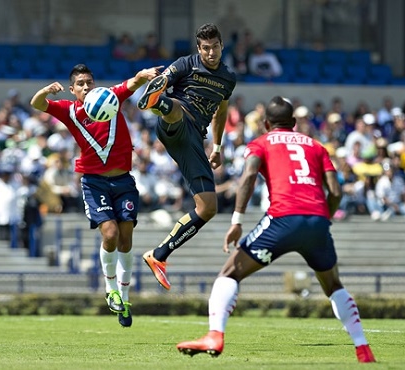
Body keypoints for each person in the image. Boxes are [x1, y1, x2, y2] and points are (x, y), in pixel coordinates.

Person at [176, 96, 376, 363]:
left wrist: (237, 220)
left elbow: (248, 177)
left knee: (229, 273)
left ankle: (215, 335)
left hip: (282, 219)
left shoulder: (261, 142)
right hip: (317, 219)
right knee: (333, 285)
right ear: (293, 123)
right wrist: (323, 218)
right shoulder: (317, 146)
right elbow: (336, 191)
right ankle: (362, 348)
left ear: (266, 123)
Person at [30, 63, 162, 327]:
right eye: (80, 83)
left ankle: (124, 298)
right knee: (110, 234)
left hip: (124, 180)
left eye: (89, 81)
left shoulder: (110, 97)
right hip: (94, 183)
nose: (86, 86)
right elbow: (37, 103)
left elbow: (132, 83)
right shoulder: (69, 110)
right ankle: (110, 288)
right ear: (72, 89)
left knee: (126, 239)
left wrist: (143, 76)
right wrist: (46, 90)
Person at [135, 23, 237, 290]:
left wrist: (217, 146)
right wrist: (162, 83)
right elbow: (167, 77)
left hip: (193, 141)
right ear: (198, 48)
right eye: (206, 48)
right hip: (175, 122)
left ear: (221, 45)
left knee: (208, 207)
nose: (211, 52)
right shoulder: (186, 64)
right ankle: (157, 101)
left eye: (215, 47)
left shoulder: (228, 78)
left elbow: (221, 111)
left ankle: (158, 256)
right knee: (177, 109)